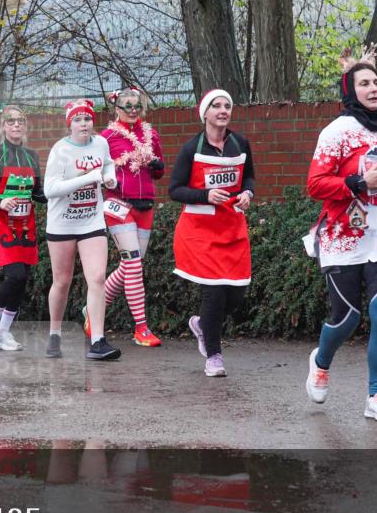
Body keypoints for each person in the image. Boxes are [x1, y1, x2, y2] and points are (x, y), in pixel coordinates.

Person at [303, 45, 377, 421]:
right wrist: (357, 182)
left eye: (376, 82)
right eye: (364, 83)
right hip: (345, 237)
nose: (373, 88)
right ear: (349, 91)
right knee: (348, 318)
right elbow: (315, 184)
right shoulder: (337, 131)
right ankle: (321, 360)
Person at [169, 89, 256, 377]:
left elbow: (250, 177)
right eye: (216, 106)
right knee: (215, 292)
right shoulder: (191, 148)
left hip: (232, 227)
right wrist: (206, 196)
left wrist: (247, 193)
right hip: (199, 232)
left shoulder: (240, 142)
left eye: (227, 105)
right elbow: (175, 190)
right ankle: (214, 357)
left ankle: (202, 324)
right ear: (205, 113)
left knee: (238, 293)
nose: (222, 110)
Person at [42, 99, 120, 361]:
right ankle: (55, 333)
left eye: (87, 119)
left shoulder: (101, 143)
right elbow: (50, 190)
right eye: (77, 120)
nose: (84, 124)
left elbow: (107, 163)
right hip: (62, 223)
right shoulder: (60, 150)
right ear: (70, 124)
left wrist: (111, 177)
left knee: (97, 277)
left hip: (92, 221)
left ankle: (97, 340)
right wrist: (89, 177)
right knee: (62, 282)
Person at [0, 105, 46, 350]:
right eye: (11, 122)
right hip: (2, 222)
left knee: (22, 280)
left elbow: (38, 193)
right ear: (3, 126)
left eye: (20, 122)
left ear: (25, 126)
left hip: (26, 223)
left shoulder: (31, 156)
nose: (16, 125)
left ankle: (3, 332)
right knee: (15, 275)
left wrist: (61, 190)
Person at [97, 87, 165, 347]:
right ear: (116, 108)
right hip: (118, 205)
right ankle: (141, 328)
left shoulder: (151, 134)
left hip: (145, 205)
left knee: (130, 266)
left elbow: (159, 172)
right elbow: (99, 170)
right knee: (134, 265)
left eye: (137, 106)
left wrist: (157, 165)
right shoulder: (107, 137)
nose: (133, 110)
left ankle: (92, 310)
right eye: (128, 106)